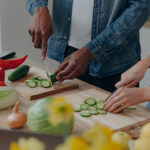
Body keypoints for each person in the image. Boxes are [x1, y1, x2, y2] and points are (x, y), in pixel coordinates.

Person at [26, 0, 150, 92]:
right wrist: (39, 7)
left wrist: (91, 51)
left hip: (114, 64)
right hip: (68, 53)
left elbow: (141, 6)